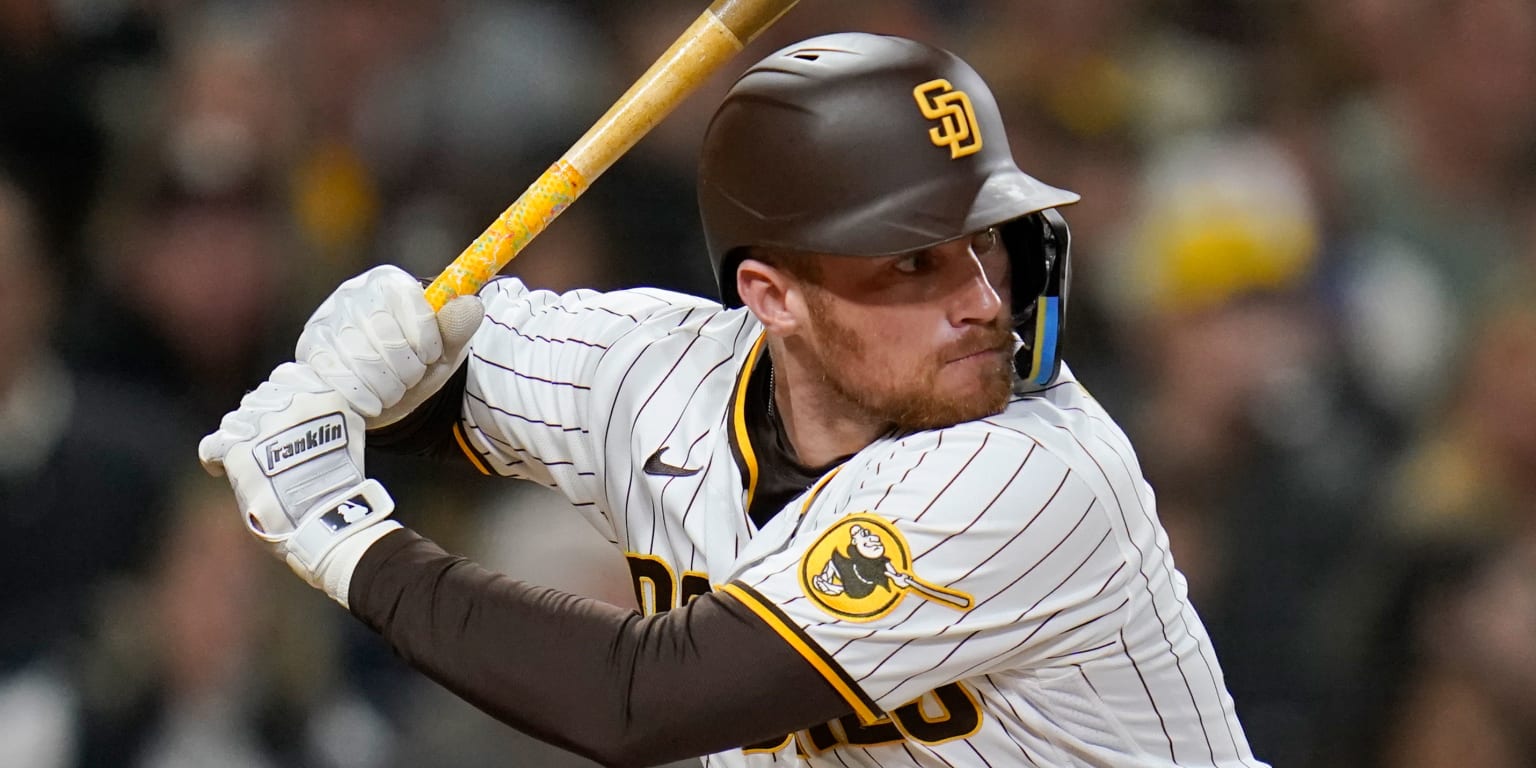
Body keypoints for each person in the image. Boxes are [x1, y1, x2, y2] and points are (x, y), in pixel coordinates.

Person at [198, 32, 1264, 767]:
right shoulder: (657, 373)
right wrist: (368, 351)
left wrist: (347, 540)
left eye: (985, 242)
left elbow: (640, 701)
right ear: (771, 295)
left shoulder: (1034, 472)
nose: (982, 301)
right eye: (911, 265)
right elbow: (434, 380)